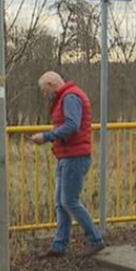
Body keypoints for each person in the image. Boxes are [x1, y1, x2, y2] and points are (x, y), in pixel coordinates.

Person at [31, 71, 106, 258]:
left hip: (75, 156)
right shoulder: (67, 96)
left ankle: (95, 240)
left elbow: (72, 125)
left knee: (69, 201)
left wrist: (47, 136)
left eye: (44, 90)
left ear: (51, 83)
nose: (44, 94)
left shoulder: (70, 97)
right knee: (60, 202)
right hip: (67, 156)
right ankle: (59, 245)